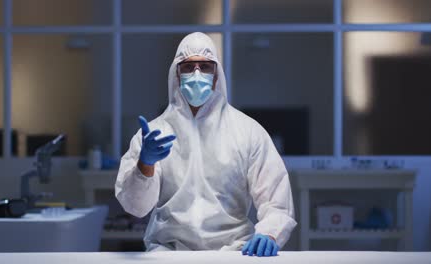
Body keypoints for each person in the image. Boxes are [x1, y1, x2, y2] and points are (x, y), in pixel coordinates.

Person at [115, 32, 296, 257]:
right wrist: (145, 164)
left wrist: (270, 233)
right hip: (169, 253)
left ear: (217, 74)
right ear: (177, 74)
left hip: (233, 253)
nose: (197, 73)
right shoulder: (154, 134)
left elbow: (276, 197)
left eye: (205, 66)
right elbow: (136, 207)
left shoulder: (247, 131)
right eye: (189, 67)